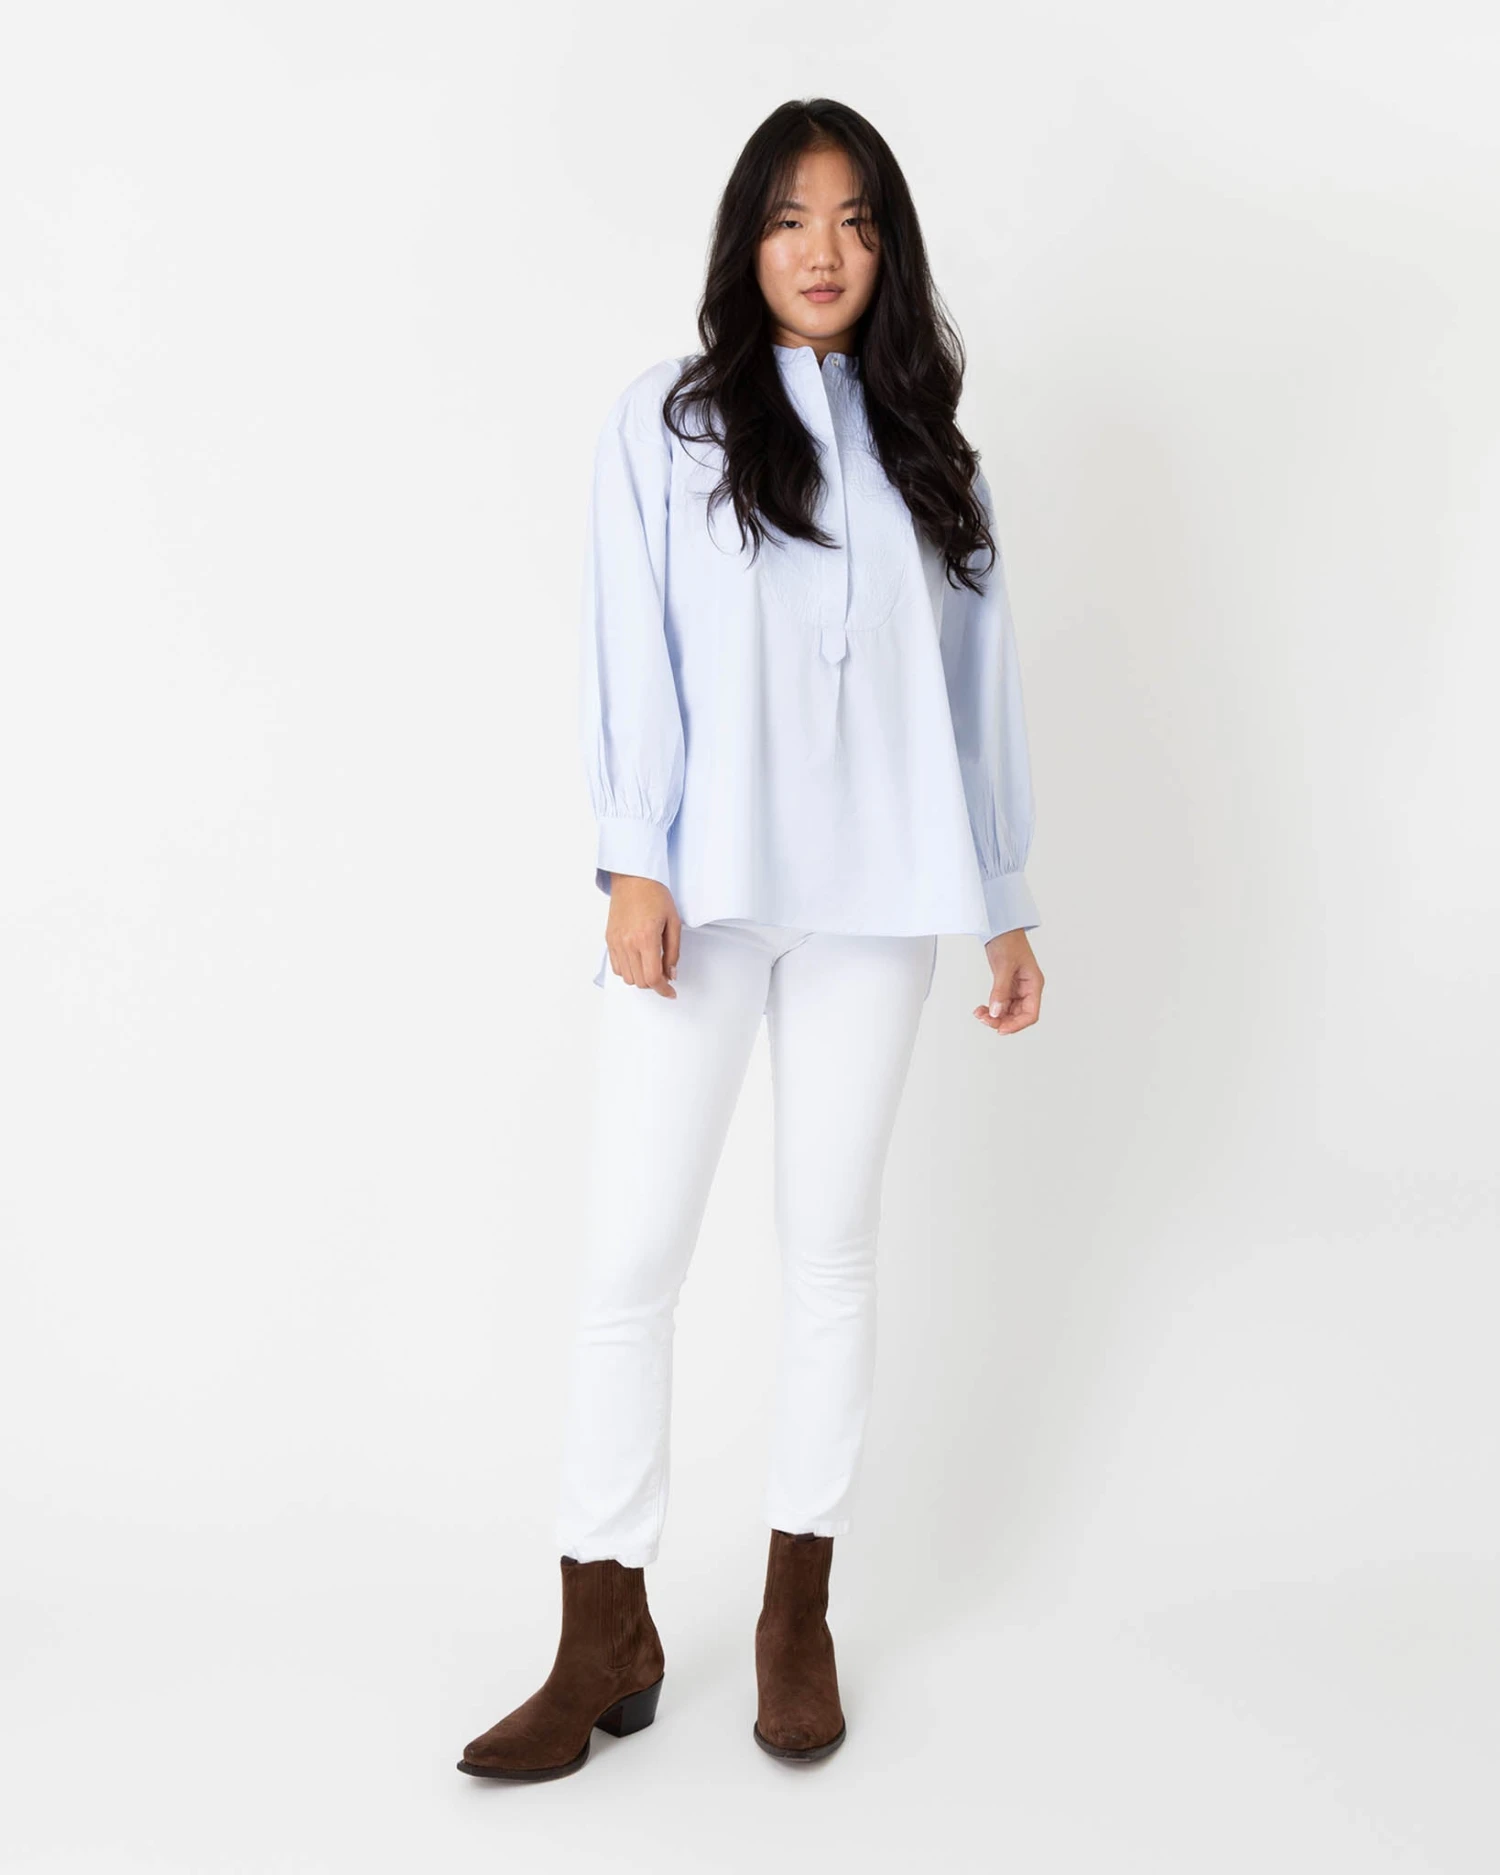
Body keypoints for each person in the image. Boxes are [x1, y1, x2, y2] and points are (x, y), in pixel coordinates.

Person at [458, 96, 1044, 1781]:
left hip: (884, 902)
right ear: (748, 240)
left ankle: (798, 1615)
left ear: (888, 247)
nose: (823, 251)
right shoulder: (671, 423)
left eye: (854, 221)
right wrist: (633, 855)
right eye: (792, 218)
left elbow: (979, 694)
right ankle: (602, 1630)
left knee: (829, 1248)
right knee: (631, 1256)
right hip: (704, 891)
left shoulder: (936, 456)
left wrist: (1004, 898)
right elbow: (628, 643)